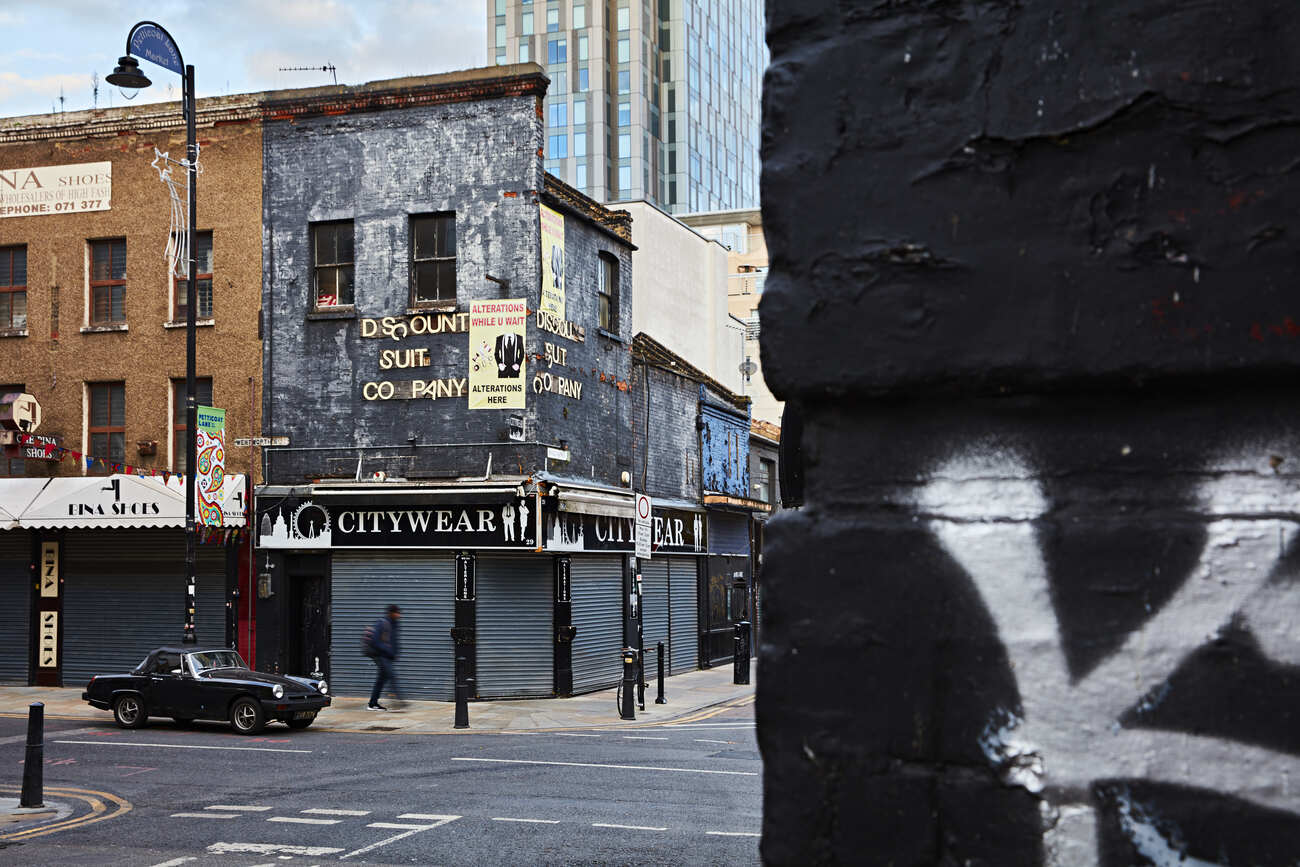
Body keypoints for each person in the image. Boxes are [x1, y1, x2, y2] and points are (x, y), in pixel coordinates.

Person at [367, 604, 404, 711]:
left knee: (381, 680)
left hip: (388, 656)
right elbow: (374, 641)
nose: (399, 615)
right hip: (381, 656)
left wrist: (395, 653)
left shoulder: (395, 623)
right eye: (397, 613)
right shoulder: (382, 623)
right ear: (391, 613)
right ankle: (399, 700)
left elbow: (394, 640)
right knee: (391, 676)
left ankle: (372, 703)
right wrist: (388, 651)